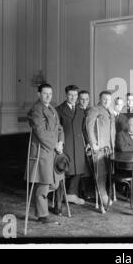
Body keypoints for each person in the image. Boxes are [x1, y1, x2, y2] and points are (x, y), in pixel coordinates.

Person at [26, 83, 64, 223]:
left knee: (54, 183)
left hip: (53, 150)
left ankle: (39, 200)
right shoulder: (37, 109)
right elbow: (40, 132)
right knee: (44, 182)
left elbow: (59, 128)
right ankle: (42, 215)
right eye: (45, 93)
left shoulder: (51, 108)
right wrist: (55, 145)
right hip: (43, 151)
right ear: (39, 94)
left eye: (50, 94)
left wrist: (60, 142)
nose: (48, 96)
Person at [56, 85, 88, 206]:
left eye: (75, 95)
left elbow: (83, 129)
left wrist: (88, 143)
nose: (73, 97)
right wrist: (59, 144)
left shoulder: (81, 110)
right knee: (63, 171)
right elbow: (57, 130)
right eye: (70, 95)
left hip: (79, 145)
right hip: (66, 145)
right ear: (66, 95)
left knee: (78, 169)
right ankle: (58, 200)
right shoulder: (59, 109)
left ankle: (71, 195)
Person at [85, 90, 116, 207]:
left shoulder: (110, 111)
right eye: (104, 99)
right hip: (100, 147)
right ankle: (103, 196)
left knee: (107, 172)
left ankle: (105, 193)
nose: (107, 101)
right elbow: (89, 126)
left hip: (109, 147)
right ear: (100, 99)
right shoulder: (95, 109)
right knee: (100, 173)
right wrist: (93, 143)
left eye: (109, 99)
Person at [77, 90, 93, 201]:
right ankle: (80, 191)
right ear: (78, 99)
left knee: (89, 168)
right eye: (82, 99)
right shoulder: (77, 111)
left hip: (91, 142)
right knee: (81, 168)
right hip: (81, 142)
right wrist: (87, 143)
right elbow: (81, 130)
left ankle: (85, 190)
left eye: (87, 99)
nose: (84, 101)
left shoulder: (90, 110)